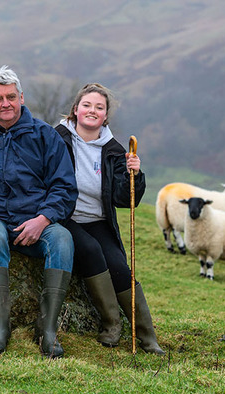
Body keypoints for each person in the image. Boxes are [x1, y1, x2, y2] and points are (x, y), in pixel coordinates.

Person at [0, 65, 77, 358]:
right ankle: (0, 328)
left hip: (36, 218)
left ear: (21, 97)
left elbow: (64, 187)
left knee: (62, 240)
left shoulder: (46, 136)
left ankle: (47, 331)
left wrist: (43, 219)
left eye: (11, 97)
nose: (5, 104)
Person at [55, 83, 165, 354]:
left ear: (105, 116)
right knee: (91, 251)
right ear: (76, 109)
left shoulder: (114, 150)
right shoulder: (57, 138)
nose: (92, 110)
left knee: (119, 266)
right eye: (87, 105)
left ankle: (147, 336)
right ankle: (111, 324)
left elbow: (123, 200)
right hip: (66, 217)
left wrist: (135, 176)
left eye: (99, 107)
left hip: (98, 220)